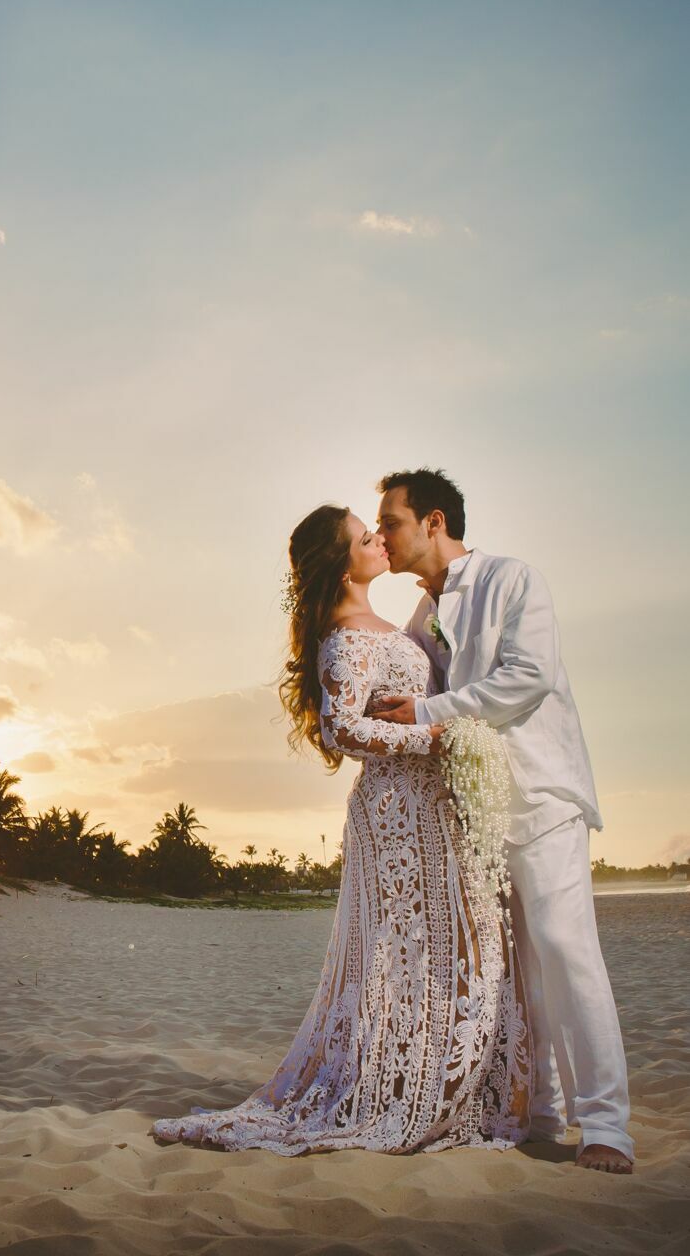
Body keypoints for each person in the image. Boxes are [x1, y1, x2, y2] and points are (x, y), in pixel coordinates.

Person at [150, 503, 531, 1155]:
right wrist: (431, 739)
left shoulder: (391, 622)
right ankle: (399, 1088)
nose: (378, 539)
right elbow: (343, 729)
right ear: (341, 562)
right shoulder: (345, 634)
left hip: (430, 806)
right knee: (405, 950)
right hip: (393, 812)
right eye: (364, 537)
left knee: (448, 945)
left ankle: (452, 1084)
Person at [371, 467, 634, 1174]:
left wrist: (426, 713)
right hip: (473, 814)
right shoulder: (419, 621)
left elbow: (529, 676)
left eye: (389, 522)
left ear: (432, 521)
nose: (380, 537)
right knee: (516, 970)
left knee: (562, 947)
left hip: (541, 796)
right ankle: (541, 1111)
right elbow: (400, 686)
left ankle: (606, 1124)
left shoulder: (513, 579)